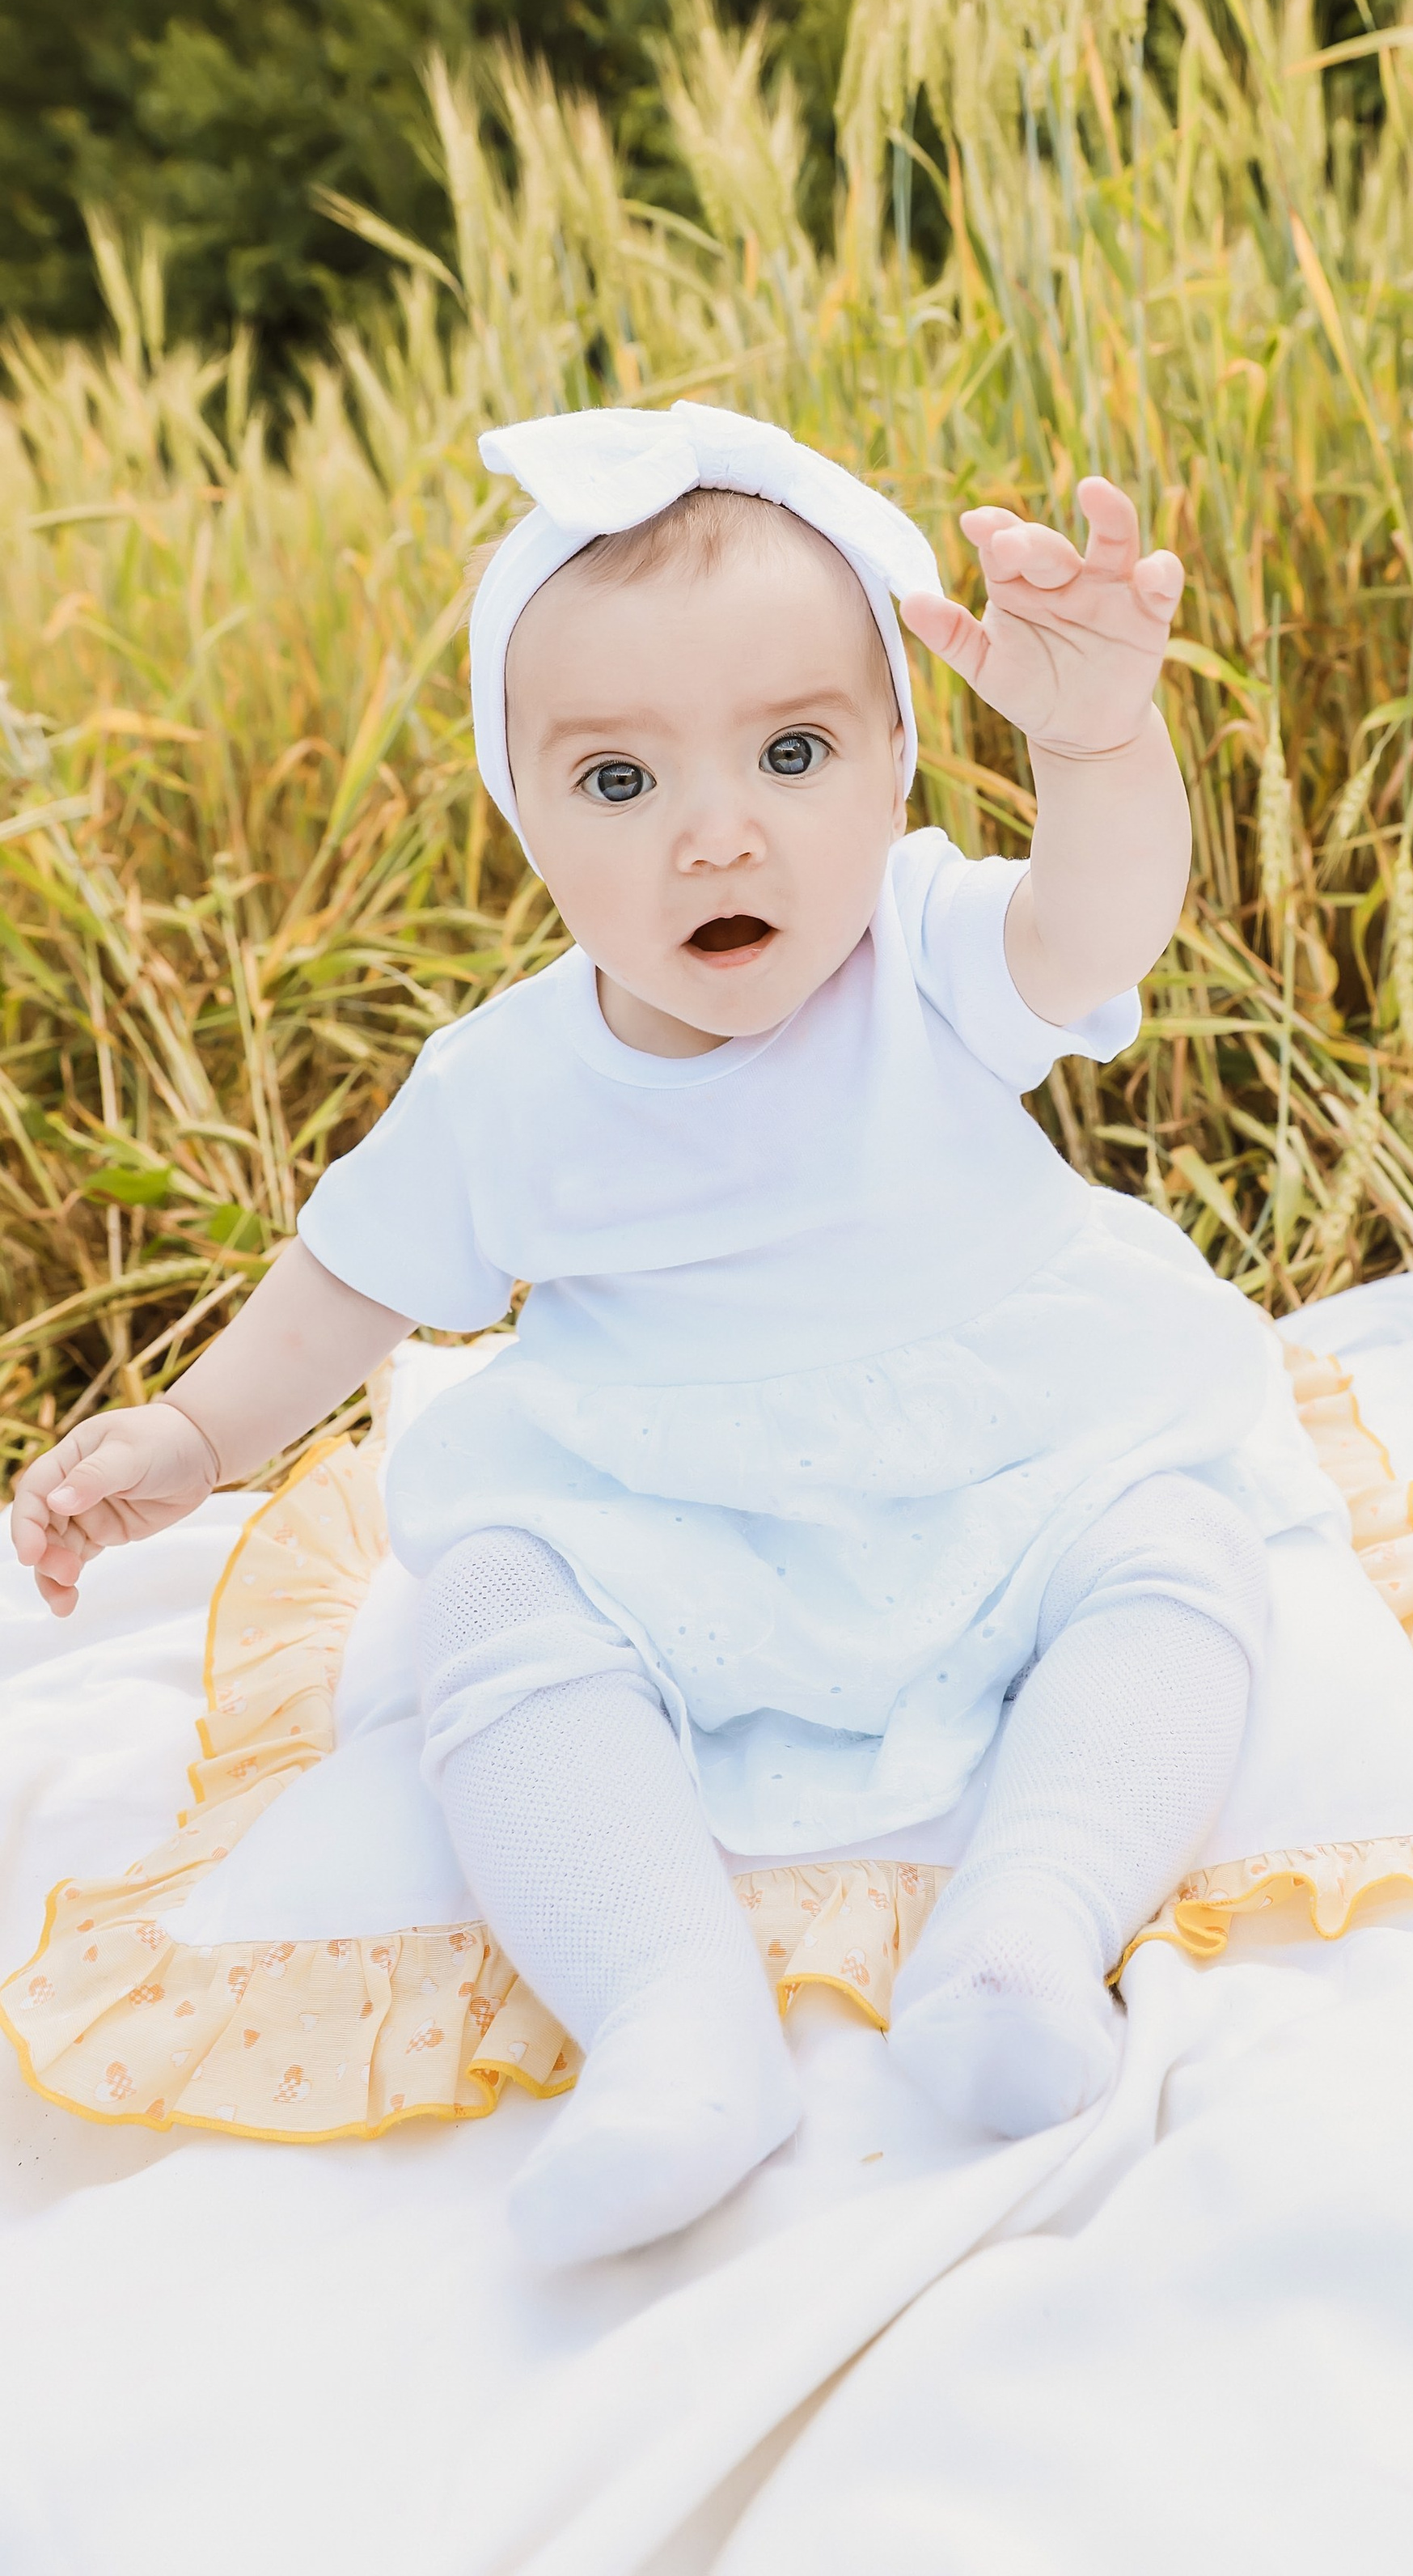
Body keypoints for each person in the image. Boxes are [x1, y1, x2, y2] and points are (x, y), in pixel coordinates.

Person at [8, 405, 1343, 2265]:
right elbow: (347, 1278)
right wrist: (195, 1435)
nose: (718, 834)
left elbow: (1094, 930)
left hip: (1004, 1461)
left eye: (792, 753)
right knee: (489, 1612)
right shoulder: (507, 1087)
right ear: (525, 818)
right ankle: (667, 2021)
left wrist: (1095, 742)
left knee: (1178, 1556)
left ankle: (1031, 1927)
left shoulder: (926, 952)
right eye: (620, 781)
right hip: (674, 1506)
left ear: (892, 765)